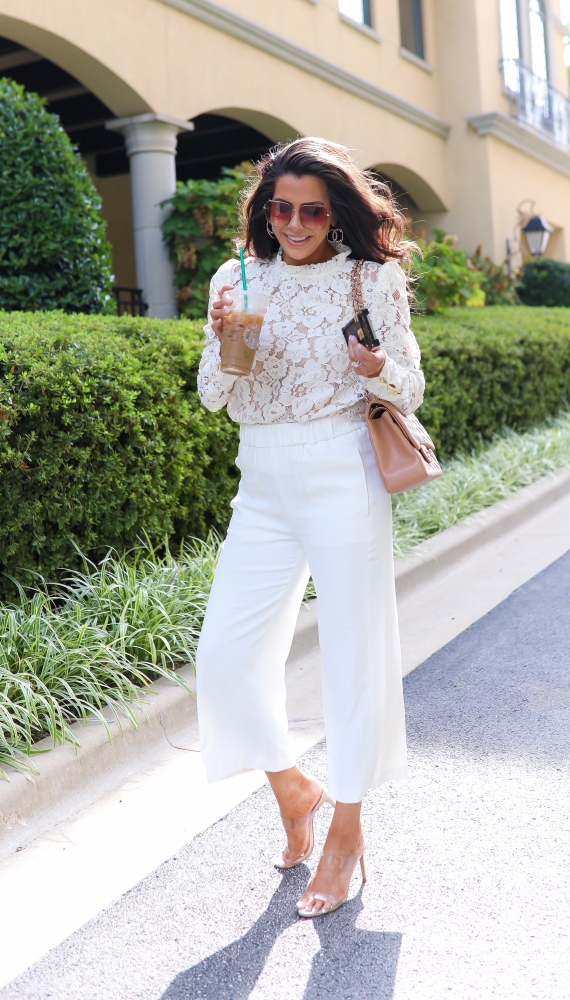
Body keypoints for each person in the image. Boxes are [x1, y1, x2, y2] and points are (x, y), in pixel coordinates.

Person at [196, 137, 424, 917]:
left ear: (338, 213)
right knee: (224, 654)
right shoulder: (238, 276)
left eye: (311, 210)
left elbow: (412, 384)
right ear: (264, 209)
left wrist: (375, 371)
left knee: (353, 661)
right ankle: (294, 788)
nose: (293, 222)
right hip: (260, 479)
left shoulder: (372, 276)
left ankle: (349, 831)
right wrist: (229, 339)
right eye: (280, 207)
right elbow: (212, 397)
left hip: (341, 468)